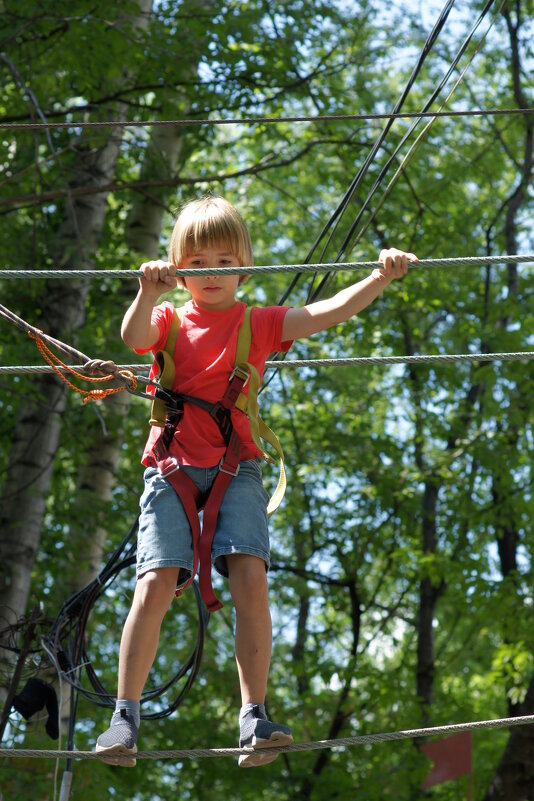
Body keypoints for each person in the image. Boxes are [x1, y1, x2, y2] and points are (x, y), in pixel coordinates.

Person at [95, 195, 417, 768]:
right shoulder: (169, 318)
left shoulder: (258, 323)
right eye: (196, 263)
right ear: (177, 268)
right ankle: (124, 714)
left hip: (235, 467)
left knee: (251, 580)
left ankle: (254, 715)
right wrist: (148, 289)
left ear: (245, 266)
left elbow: (327, 313)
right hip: (169, 466)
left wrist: (378, 276)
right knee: (154, 582)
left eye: (224, 262)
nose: (211, 273)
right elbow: (133, 337)